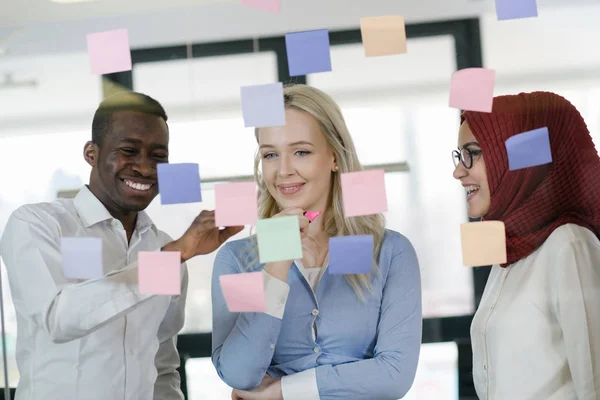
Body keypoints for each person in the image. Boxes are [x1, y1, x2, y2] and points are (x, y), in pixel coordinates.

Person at [0, 92, 243, 400]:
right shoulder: (38, 224)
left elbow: (162, 363)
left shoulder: (163, 245)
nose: (145, 168)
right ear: (91, 153)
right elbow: (58, 319)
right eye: (129, 151)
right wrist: (173, 256)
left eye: (158, 156)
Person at [211, 84, 422, 400]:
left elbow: (394, 375)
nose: (283, 171)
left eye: (301, 152)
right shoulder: (238, 259)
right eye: (270, 154)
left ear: (334, 157)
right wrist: (276, 268)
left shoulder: (390, 253)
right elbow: (239, 372)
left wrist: (283, 390)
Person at [452, 91, 600, 399]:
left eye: (473, 153)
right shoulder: (511, 250)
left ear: (515, 158)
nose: (458, 171)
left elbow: (594, 383)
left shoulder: (568, 244)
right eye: (459, 155)